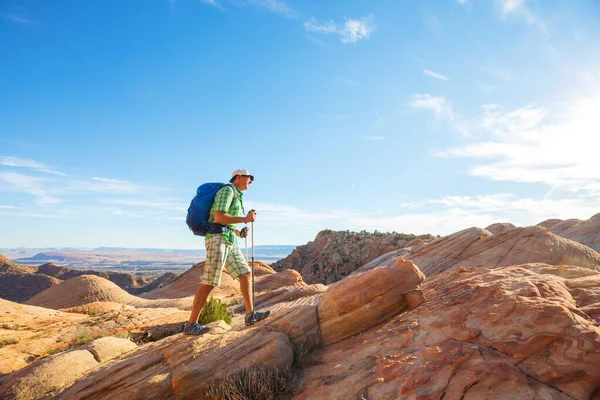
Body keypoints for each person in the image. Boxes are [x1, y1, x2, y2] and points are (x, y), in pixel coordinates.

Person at [183, 169, 271, 335]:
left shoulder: (237, 195)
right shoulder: (227, 191)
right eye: (248, 178)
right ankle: (191, 324)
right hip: (218, 239)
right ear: (238, 178)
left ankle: (250, 315)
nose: (250, 181)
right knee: (210, 281)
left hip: (229, 239)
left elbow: (227, 223)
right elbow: (218, 217)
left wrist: (239, 232)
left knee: (245, 273)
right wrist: (245, 219)